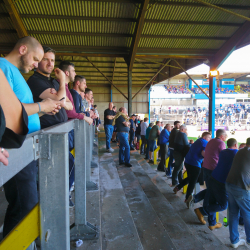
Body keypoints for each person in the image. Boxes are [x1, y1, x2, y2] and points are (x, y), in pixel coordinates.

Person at [0, 37, 62, 238]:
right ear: (23, 49)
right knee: (24, 206)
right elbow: (8, 113)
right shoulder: (3, 68)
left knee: (24, 205)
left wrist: (45, 111)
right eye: (36, 59)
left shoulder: (15, 74)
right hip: (15, 147)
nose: (37, 64)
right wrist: (41, 106)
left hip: (25, 146)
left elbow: (23, 112)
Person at [27, 46, 76, 208]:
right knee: (51, 174)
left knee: (65, 168)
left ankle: (60, 199)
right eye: (46, 59)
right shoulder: (36, 81)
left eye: (52, 60)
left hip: (59, 133)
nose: (50, 63)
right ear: (38, 62)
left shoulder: (51, 82)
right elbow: (61, 99)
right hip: (47, 135)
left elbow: (68, 104)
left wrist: (60, 98)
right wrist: (62, 82)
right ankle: (53, 205)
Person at [194, 138, 238, 231]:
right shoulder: (236, 153)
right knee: (223, 205)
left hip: (213, 177)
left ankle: (212, 223)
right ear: (235, 145)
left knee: (213, 200)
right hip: (221, 181)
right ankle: (201, 211)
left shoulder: (223, 152)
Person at [174, 132, 211, 208]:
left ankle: (178, 187)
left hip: (188, 162)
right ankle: (188, 198)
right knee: (193, 181)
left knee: (191, 178)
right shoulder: (204, 142)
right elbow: (203, 153)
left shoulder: (198, 140)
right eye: (209, 138)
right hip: (195, 163)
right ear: (204, 137)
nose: (209, 139)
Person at [226, 138, 250, 248]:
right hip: (241, 187)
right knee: (247, 214)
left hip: (230, 184)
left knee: (233, 213)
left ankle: (234, 240)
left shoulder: (240, 151)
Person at [192, 129, 227, 203]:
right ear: (221, 136)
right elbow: (224, 156)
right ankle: (204, 208)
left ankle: (195, 199)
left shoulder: (210, 141)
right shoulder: (221, 143)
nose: (226, 137)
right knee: (213, 190)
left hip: (205, 167)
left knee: (210, 188)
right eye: (225, 135)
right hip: (213, 169)